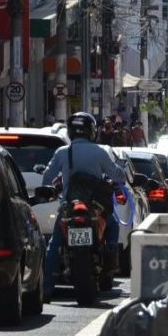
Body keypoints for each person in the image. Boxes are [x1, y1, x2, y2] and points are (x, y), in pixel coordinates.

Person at [41, 112, 126, 301]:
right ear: (92, 131)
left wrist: (53, 188)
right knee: (112, 226)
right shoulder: (100, 152)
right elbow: (118, 175)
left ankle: (45, 290)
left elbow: (47, 177)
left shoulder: (63, 152)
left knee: (54, 245)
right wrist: (122, 170)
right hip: (94, 206)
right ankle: (110, 260)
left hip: (69, 205)